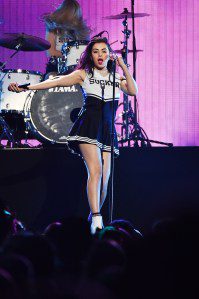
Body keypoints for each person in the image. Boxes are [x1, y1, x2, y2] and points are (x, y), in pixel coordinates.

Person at [8, 37, 138, 234]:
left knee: (105, 178)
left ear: (109, 54)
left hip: (108, 131)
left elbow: (133, 91)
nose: (100, 55)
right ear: (90, 55)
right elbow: (54, 82)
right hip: (88, 127)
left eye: (104, 51)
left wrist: (123, 66)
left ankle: (93, 216)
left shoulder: (115, 78)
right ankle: (96, 217)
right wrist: (26, 88)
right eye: (96, 51)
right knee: (95, 171)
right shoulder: (83, 74)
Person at [42, 0, 90, 75]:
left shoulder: (82, 31)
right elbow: (50, 52)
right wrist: (70, 56)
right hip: (56, 67)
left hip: (78, 68)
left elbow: (86, 52)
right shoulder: (53, 28)